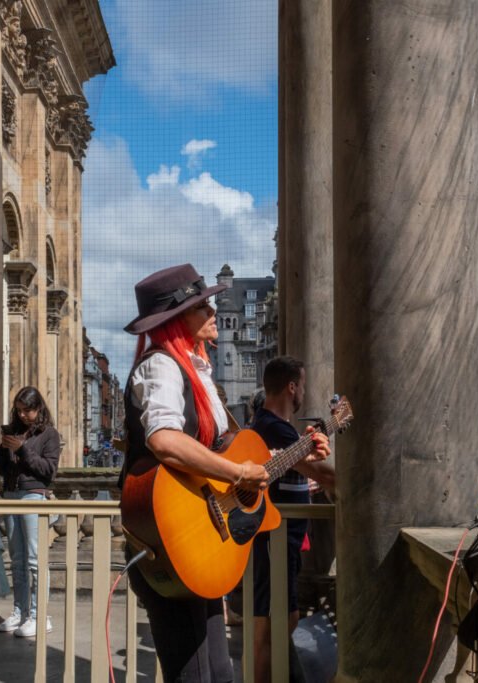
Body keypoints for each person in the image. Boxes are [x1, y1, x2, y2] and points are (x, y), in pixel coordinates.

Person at [119, 263, 330, 682]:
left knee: (218, 673)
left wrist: (297, 453)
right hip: (175, 541)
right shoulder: (160, 366)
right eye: (203, 306)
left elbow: (228, 450)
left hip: (202, 546)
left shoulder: (198, 375)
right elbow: (164, 440)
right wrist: (237, 471)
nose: (214, 311)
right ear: (179, 318)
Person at [250, 356, 335, 683]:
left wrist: (306, 479)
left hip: (281, 540)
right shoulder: (275, 428)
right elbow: (320, 472)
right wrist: (349, 484)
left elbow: (293, 472)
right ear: (291, 386)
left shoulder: (272, 427)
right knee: (271, 626)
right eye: (302, 385)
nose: (303, 393)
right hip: (276, 539)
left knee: (280, 620)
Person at [0, 386, 61, 638]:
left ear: (39, 408)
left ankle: (39, 615)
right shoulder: (13, 431)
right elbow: (3, 469)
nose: (23, 415)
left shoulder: (49, 434)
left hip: (34, 494)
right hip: (11, 493)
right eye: (19, 410)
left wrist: (22, 449)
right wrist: (3, 450)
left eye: (28, 410)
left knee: (35, 559)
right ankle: (20, 611)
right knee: (18, 558)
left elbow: (48, 471)